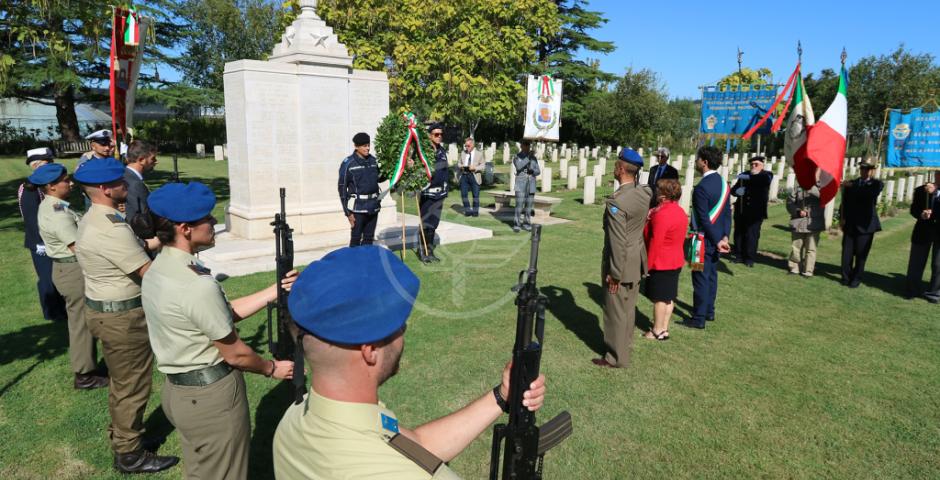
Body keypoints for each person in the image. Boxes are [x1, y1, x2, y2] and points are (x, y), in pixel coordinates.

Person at [272, 246, 546, 479]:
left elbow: (416, 444)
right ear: (370, 351)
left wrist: (501, 396)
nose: (404, 332)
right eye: (398, 326)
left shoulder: (292, 422)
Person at [142, 182, 297, 479]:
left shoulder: (161, 267)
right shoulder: (196, 284)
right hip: (210, 400)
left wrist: (275, 290)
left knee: (202, 471)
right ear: (185, 229)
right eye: (207, 218)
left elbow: (219, 315)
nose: (214, 222)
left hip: (180, 393)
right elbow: (236, 354)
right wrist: (272, 368)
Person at [74, 158, 177, 473]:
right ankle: (130, 453)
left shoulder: (97, 218)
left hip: (106, 313)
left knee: (123, 382)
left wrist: (164, 239)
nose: (126, 186)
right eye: (120, 182)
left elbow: (137, 247)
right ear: (105, 189)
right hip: (123, 319)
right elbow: (148, 272)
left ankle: (124, 436)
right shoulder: (110, 229)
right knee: (132, 385)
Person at [32, 163, 108, 389]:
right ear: (51, 186)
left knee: (82, 321)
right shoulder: (56, 213)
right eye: (65, 180)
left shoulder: (55, 206)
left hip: (69, 269)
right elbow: (79, 247)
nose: (71, 183)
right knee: (81, 323)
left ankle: (87, 368)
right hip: (73, 270)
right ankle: (85, 375)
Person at [593, 148, 652, 368]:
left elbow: (617, 242)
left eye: (616, 165)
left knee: (615, 311)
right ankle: (624, 347)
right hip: (636, 260)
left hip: (621, 264)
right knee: (628, 309)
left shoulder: (617, 202)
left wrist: (614, 273)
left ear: (620, 169)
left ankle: (615, 358)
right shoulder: (644, 192)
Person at [18, 147, 68, 322]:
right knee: (47, 278)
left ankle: (60, 309)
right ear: (36, 165)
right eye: (48, 163)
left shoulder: (44, 184)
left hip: (52, 237)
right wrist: (40, 242)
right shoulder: (30, 188)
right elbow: (31, 217)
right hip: (40, 241)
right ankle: (52, 312)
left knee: (56, 276)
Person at [688, 146, 732, 329]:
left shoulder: (701, 188)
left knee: (700, 277)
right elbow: (727, 214)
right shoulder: (724, 184)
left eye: (698, 159)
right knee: (712, 276)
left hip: (702, 241)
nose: (696, 162)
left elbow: (704, 220)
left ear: (704, 162)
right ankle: (709, 311)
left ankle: (698, 318)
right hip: (718, 238)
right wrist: (725, 237)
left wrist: (717, 240)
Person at [643, 179, 688, 341]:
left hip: (661, 262)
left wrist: (647, 266)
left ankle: (657, 330)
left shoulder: (662, 214)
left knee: (659, 299)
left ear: (663, 195)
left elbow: (656, 242)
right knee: (668, 297)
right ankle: (664, 328)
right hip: (675, 259)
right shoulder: (680, 211)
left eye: (658, 190)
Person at [838, 159, 883, 288]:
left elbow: (869, 195)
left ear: (872, 171)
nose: (864, 171)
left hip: (865, 225)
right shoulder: (852, 183)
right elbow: (845, 202)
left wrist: (851, 186)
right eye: (862, 168)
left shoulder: (876, 184)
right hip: (850, 223)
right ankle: (846, 277)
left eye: (867, 169)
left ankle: (856, 278)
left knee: (861, 254)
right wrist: (842, 217)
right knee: (846, 254)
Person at [338, 132, 384, 247]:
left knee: (369, 239)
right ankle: (353, 259)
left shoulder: (373, 161)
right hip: (357, 209)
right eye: (364, 146)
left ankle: (366, 259)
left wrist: (393, 170)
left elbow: (380, 178)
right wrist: (348, 213)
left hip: (373, 207)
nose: (367, 148)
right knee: (356, 239)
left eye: (368, 145)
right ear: (356, 146)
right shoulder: (348, 164)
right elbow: (342, 189)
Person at [730, 156, 773, 267]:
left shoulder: (766, 175)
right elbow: (733, 190)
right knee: (739, 234)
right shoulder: (744, 175)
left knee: (751, 235)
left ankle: (749, 258)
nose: (753, 166)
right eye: (752, 164)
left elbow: (761, 180)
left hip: (756, 212)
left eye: (756, 164)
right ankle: (738, 255)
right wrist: (738, 192)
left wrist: (744, 176)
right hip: (741, 209)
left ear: (762, 165)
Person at [905, 171, 940, 302]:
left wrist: (935, 195)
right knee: (916, 262)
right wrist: (921, 214)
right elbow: (913, 209)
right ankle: (912, 289)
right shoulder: (921, 190)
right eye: (938, 173)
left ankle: (934, 292)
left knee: (938, 264)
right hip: (923, 230)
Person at [418, 123, 449, 263]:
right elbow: (417, 169)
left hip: (439, 194)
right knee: (425, 223)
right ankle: (422, 251)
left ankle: (430, 252)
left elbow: (445, 172)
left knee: (433, 224)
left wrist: (445, 190)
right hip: (427, 194)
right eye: (436, 134)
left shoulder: (442, 151)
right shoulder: (423, 151)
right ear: (430, 136)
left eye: (441, 134)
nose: (439, 136)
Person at [786, 185, 825, 277]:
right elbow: (789, 202)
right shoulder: (798, 187)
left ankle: (808, 271)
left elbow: (824, 204)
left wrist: (809, 213)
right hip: (798, 222)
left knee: (811, 248)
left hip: (813, 224)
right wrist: (797, 211)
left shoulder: (822, 187)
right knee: (796, 247)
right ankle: (794, 268)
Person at [123, 140, 159, 222]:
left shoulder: (126, 175)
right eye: (153, 158)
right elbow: (144, 217)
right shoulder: (135, 183)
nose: (156, 161)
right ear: (142, 160)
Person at [512, 140, 541, 233]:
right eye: (525, 144)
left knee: (528, 206)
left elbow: (538, 171)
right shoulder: (517, 157)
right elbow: (519, 166)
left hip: (531, 183)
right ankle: (516, 224)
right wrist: (528, 157)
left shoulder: (534, 158)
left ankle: (527, 224)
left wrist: (533, 171)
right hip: (520, 183)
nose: (527, 146)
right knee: (519, 205)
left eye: (528, 144)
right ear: (521, 146)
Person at [458, 137, 483, 217]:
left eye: (468, 146)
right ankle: (468, 211)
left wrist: (475, 168)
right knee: (463, 195)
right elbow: (459, 163)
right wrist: (461, 166)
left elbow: (483, 165)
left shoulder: (479, 154)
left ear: (472, 145)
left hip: (474, 175)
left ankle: (475, 212)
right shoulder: (463, 153)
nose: (466, 147)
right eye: (465, 146)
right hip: (464, 175)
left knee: (475, 195)